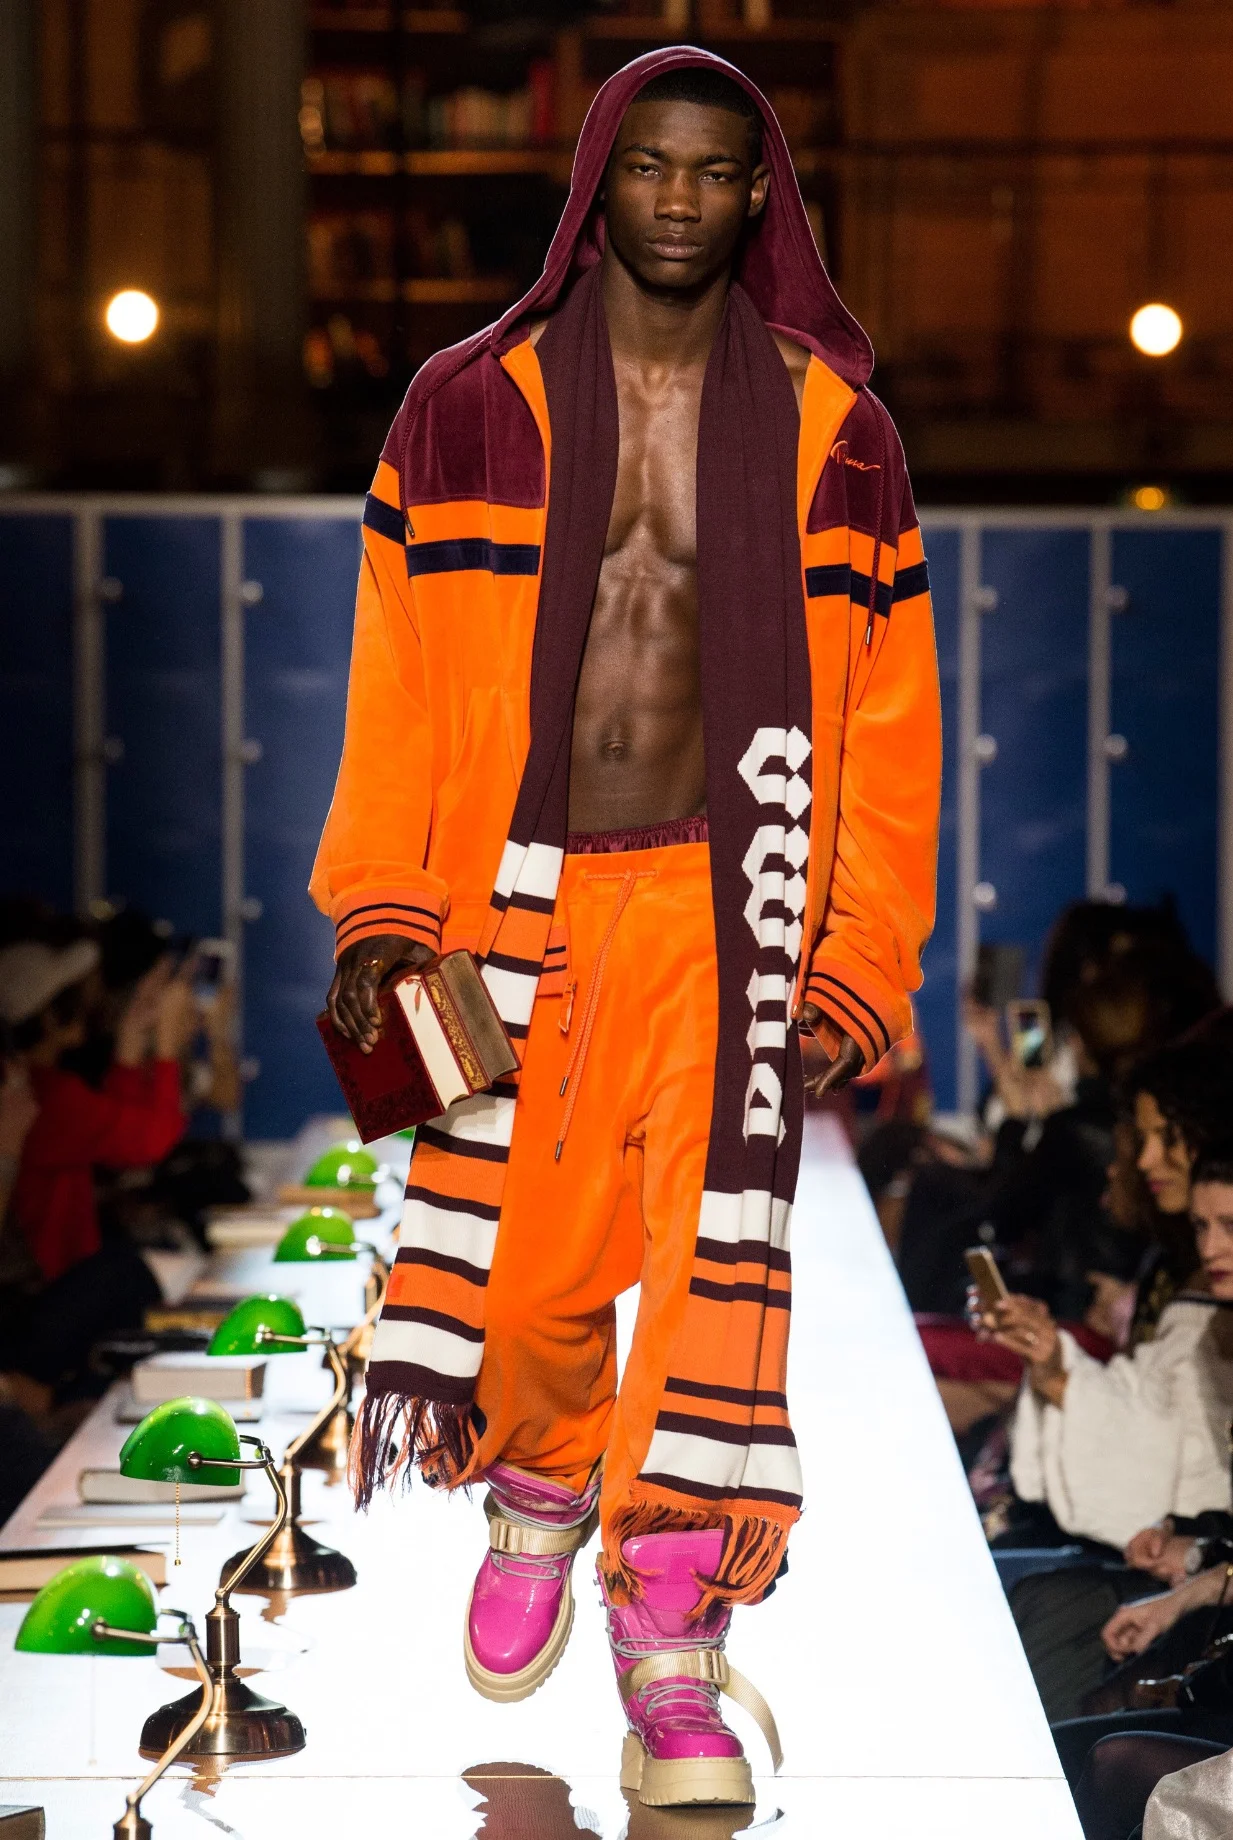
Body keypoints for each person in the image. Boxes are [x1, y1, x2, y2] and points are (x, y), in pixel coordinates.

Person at [313, 48, 940, 1807]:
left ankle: (671, 1633)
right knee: (523, 1278)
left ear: (760, 198)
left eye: (715, 172)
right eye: (652, 165)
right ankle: (539, 1477)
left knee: (718, 1275)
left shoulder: (838, 432)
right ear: (598, 182)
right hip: (519, 902)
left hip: (732, 907)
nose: (680, 197)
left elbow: (890, 727)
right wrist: (382, 905)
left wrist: (856, 957)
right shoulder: (466, 406)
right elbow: (395, 679)